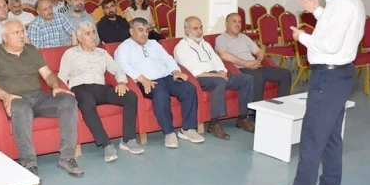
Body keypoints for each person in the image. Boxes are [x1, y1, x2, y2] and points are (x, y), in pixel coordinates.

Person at [270, 0, 364, 185]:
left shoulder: (342, 3)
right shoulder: (346, 0)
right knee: (331, 134)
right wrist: (317, 12)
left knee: (312, 136)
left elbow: (329, 44)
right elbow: (334, 29)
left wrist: (302, 37)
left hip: (328, 77)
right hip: (339, 75)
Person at [0, 20, 83, 179]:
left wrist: (55, 86)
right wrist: (5, 96)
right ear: (4, 37)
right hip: (16, 98)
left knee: (68, 101)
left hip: (38, 97)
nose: (21, 36)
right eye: (15, 33)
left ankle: (67, 157)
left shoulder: (31, 50)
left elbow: (48, 74)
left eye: (22, 31)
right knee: (22, 108)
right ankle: (29, 163)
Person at [114, 18, 203, 148]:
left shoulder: (154, 44)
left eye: (146, 30)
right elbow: (123, 66)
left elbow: (168, 58)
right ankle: (169, 132)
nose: (145, 34)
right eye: (140, 30)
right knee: (160, 94)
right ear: (131, 31)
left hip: (166, 77)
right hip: (147, 81)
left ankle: (188, 129)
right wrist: (143, 79)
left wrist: (175, 71)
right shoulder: (124, 48)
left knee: (189, 88)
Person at [58, 22, 141, 162]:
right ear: (79, 38)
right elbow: (61, 77)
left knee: (130, 96)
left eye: (93, 32)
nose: (92, 36)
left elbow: (117, 69)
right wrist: (67, 94)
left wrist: (121, 82)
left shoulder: (102, 53)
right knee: (87, 101)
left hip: (100, 88)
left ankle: (128, 139)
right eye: (88, 34)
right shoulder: (70, 54)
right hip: (80, 88)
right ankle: (106, 144)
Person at [173, 16, 255, 140]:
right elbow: (194, 71)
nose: (199, 31)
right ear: (186, 30)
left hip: (217, 75)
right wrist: (217, 75)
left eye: (201, 28)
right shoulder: (181, 47)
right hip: (199, 78)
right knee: (220, 82)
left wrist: (222, 71)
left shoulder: (205, 44)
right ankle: (213, 124)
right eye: (195, 28)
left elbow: (217, 60)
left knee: (247, 79)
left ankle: (243, 118)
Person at [216, 12, 292, 102]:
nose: (237, 24)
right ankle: (256, 109)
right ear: (227, 24)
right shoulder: (221, 38)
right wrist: (245, 63)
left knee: (285, 73)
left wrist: (258, 60)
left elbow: (259, 51)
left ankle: (282, 105)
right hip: (240, 68)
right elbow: (223, 54)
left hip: (255, 66)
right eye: (234, 21)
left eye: (239, 22)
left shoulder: (244, 37)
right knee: (258, 76)